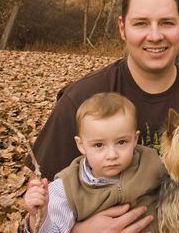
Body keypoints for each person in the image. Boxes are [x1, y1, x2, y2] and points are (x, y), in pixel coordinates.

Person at [26, 0, 179, 232]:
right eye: (141, 23)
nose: (155, 35)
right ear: (122, 28)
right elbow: (39, 194)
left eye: (167, 23)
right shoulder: (82, 98)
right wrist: (78, 231)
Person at [24, 92, 163, 232]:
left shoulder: (151, 162)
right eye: (99, 145)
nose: (112, 155)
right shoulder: (68, 187)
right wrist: (39, 217)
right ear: (81, 145)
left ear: (135, 139)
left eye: (121, 142)